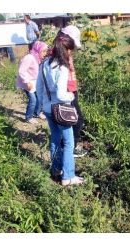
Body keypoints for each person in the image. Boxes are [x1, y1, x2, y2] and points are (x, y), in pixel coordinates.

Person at [36, 32, 84, 186]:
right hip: (61, 109)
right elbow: (62, 94)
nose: (71, 52)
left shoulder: (44, 63)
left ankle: (56, 169)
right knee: (69, 142)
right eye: (70, 49)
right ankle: (68, 177)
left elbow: (38, 88)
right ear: (66, 50)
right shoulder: (62, 67)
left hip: (48, 109)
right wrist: (71, 96)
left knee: (55, 139)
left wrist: (45, 104)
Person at [61, 25, 87, 158]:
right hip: (67, 92)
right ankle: (72, 147)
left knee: (72, 119)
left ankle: (68, 144)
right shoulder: (61, 55)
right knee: (76, 119)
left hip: (71, 90)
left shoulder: (66, 52)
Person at [16, 41, 48, 124]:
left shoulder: (38, 58)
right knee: (33, 100)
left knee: (40, 98)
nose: (45, 53)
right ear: (38, 50)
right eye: (43, 51)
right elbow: (21, 71)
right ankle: (28, 117)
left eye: (46, 51)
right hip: (28, 83)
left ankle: (37, 113)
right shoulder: (29, 57)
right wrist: (27, 82)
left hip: (35, 82)